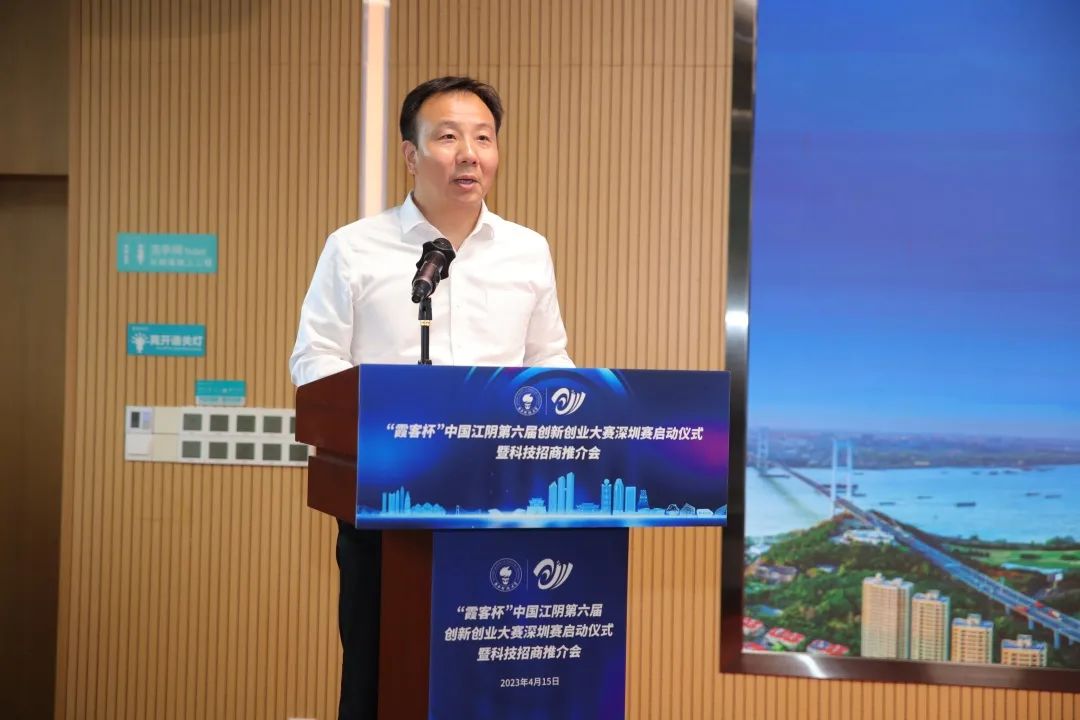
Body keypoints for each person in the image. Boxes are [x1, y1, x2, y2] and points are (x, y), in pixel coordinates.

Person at [289, 76, 573, 720]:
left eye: (483, 138)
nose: (469, 153)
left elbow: (549, 359)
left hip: (500, 504)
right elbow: (315, 359)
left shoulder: (527, 251)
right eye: (447, 137)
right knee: (380, 678)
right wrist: (380, 426)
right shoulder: (355, 247)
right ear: (411, 155)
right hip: (386, 504)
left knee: (489, 684)